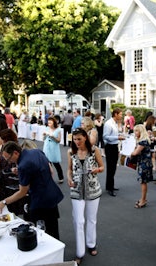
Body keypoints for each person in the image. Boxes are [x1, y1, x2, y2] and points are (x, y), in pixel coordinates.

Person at [0, 141, 64, 239]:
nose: (9, 162)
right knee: (53, 228)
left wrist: (4, 202)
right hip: (51, 195)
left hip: (40, 201)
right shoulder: (36, 152)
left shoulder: (23, 166)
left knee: (40, 231)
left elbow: (22, 192)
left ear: (15, 153)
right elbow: (46, 170)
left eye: (9, 159)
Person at [67, 128, 104, 264]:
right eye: (74, 139)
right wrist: (69, 178)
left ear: (85, 138)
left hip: (93, 189)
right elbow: (69, 169)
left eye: (79, 139)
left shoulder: (94, 150)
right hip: (76, 190)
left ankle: (91, 243)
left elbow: (102, 166)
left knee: (91, 219)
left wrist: (97, 170)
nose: (77, 142)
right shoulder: (71, 151)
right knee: (78, 221)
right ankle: (80, 251)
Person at [103, 107, 125, 197]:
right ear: (115, 114)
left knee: (113, 168)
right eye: (120, 114)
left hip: (115, 147)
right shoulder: (108, 123)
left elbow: (113, 135)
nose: (121, 116)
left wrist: (119, 136)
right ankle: (110, 188)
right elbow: (105, 136)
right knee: (111, 168)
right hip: (110, 147)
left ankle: (110, 186)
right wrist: (117, 137)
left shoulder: (115, 123)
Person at [130, 124, 152, 208]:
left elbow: (135, 152)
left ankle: (143, 200)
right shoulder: (144, 140)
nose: (135, 132)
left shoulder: (143, 141)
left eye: (136, 131)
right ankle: (143, 198)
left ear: (141, 131)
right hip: (144, 163)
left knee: (143, 182)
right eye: (134, 130)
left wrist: (130, 152)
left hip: (144, 164)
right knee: (143, 182)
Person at [43, 117, 65, 183]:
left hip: (54, 147)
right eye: (48, 122)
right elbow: (44, 139)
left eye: (50, 122)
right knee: (48, 164)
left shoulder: (58, 130)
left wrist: (53, 137)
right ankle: (49, 178)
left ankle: (61, 177)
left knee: (56, 163)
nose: (49, 124)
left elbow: (58, 140)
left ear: (54, 123)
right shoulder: (47, 128)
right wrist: (44, 135)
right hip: (47, 146)